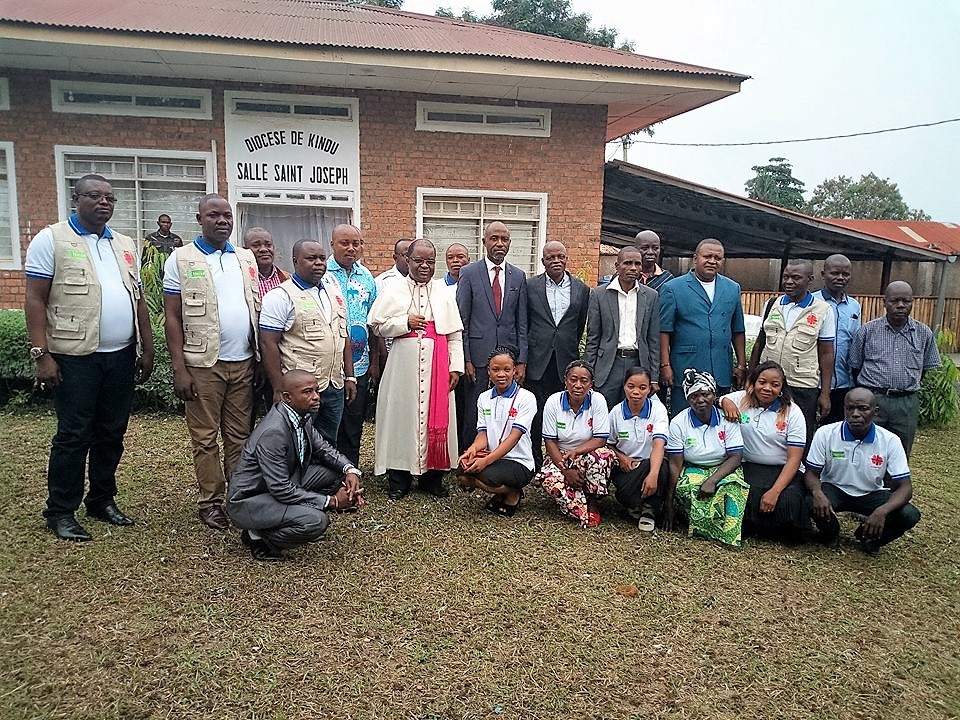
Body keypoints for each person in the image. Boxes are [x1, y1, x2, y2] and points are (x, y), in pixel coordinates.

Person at [25, 174, 155, 541]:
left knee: (111, 433)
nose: (104, 203)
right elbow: (34, 298)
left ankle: (101, 499)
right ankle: (61, 510)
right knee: (73, 434)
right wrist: (42, 355)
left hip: (120, 356)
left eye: (110, 198)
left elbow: (138, 298)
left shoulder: (124, 243)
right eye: (95, 196)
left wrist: (146, 347)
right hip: (74, 357)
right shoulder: (51, 239)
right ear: (76, 198)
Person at [163, 194, 260, 531]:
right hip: (204, 364)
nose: (222, 221)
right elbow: (172, 318)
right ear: (199, 219)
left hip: (244, 362)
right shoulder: (180, 258)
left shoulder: (245, 258)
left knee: (239, 436)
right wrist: (180, 368)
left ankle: (239, 496)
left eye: (227, 215)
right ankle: (211, 502)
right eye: (213, 215)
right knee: (205, 437)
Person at [226, 370, 364, 562]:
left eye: (316, 390)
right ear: (287, 397)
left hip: (281, 485)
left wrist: (350, 470)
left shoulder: (300, 414)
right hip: (251, 500)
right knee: (317, 521)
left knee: (336, 472)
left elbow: (322, 448)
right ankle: (259, 536)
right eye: (308, 392)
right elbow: (280, 488)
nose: (316, 397)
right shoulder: (273, 432)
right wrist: (332, 501)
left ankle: (288, 517)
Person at [369, 239, 464, 500]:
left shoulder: (444, 293)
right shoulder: (393, 289)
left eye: (430, 261)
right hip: (403, 367)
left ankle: (432, 478)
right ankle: (399, 478)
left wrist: (455, 367)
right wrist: (404, 323)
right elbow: (377, 326)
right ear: (407, 260)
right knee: (401, 418)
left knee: (439, 418)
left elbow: (455, 334)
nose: (425, 266)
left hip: (438, 367)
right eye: (419, 260)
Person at [259, 239, 355, 445]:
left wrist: (350, 377)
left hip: (334, 386)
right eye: (311, 258)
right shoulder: (280, 296)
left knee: (328, 442)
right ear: (295, 261)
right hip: (299, 390)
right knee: (297, 443)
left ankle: (324, 478)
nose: (319, 263)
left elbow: (343, 336)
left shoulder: (334, 293)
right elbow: (268, 344)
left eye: (322, 258)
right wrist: (278, 388)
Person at [805, 388, 921, 555]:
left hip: (871, 493)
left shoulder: (890, 440)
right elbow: (811, 473)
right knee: (809, 501)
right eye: (850, 408)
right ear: (844, 409)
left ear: (875, 412)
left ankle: (869, 537)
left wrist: (882, 511)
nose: (855, 414)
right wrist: (817, 492)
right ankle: (830, 532)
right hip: (834, 488)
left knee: (909, 514)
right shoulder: (826, 433)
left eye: (863, 408)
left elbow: (905, 487)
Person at [456, 221, 528, 451]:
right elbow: (462, 321)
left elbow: (522, 322)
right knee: (473, 409)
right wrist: (465, 358)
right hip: (476, 357)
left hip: (508, 359)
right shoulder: (469, 273)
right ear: (484, 241)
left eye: (504, 239)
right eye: (494, 239)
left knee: (505, 409)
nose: (499, 244)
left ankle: (498, 455)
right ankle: (468, 458)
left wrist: (521, 360)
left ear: (509, 243)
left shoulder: (518, 276)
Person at [848, 281, 940, 457]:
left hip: (906, 403)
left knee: (901, 450)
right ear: (885, 302)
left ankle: (896, 484)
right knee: (866, 448)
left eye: (906, 301)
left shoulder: (923, 333)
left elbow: (925, 369)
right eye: (895, 301)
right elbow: (855, 366)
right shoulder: (867, 331)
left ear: (912, 302)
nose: (900, 305)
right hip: (873, 399)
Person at [720, 361, 809, 540]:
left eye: (775, 385)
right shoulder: (741, 399)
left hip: (783, 470)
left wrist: (775, 491)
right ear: (753, 383)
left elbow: (794, 459)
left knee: (789, 501)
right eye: (762, 382)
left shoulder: (793, 412)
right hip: (749, 467)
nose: (767, 388)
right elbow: (717, 398)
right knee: (747, 495)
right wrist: (724, 401)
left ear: (782, 387)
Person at [750, 259, 835, 447]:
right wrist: (751, 378)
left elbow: (826, 354)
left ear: (810, 280)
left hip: (802, 385)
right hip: (769, 385)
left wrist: (825, 393)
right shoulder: (772, 304)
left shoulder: (823, 310)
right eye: (786, 277)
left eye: (796, 278)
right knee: (767, 431)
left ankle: (799, 473)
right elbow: (759, 344)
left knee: (800, 435)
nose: (789, 282)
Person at [659, 239, 747, 414]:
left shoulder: (732, 288)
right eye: (707, 256)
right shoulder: (673, 288)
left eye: (717, 258)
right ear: (695, 258)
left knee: (720, 421)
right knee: (685, 419)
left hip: (721, 369)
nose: (712, 261)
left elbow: (738, 330)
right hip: (687, 367)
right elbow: (663, 331)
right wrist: (665, 365)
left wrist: (742, 364)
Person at [664, 369, 747, 547]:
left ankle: (726, 534)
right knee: (689, 489)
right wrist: (668, 502)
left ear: (713, 394)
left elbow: (735, 457)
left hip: (723, 467)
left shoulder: (727, 419)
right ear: (687, 399)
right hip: (693, 467)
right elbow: (675, 463)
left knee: (732, 489)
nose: (700, 400)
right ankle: (702, 529)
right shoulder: (679, 422)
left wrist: (712, 480)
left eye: (705, 394)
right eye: (694, 396)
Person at [525, 240, 589, 468]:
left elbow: (579, 325)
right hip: (537, 360)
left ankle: (561, 461)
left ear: (566, 259)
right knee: (536, 412)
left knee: (562, 412)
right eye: (550, 257)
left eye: (560, 256)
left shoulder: (581, 289)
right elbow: (525, 323)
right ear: (543, 261)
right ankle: (534, 458)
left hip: (566, 360)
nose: (556, 261)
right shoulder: (530, 286)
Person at [457, 347, 537, 516]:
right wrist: (473, 449)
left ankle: (513, 492)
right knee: (463, 474)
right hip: (494, 458)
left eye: (507, 369)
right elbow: (482, 434)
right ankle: (502, 493)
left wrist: (485, 461)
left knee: (486, 476)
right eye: (496, 369)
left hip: (519, 462)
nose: (501, 374)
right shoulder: (484, 398)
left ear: (514, 370)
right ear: (488, 371)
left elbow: (513, 438)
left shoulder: (527, 398)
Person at [535, 361, 614, 528]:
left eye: (584, 381)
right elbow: (550, 442)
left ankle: (592, 501)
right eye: (573, 379)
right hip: (560, 456)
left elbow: (600, 439)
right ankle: (580, 506)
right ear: (565, 381)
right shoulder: (553, 401)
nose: (578, 385)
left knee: (603, 456)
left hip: (588, 453)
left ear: (591, 384)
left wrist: (576, 452)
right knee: (550, 481)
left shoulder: (598, 400)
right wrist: (565, 470)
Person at [324, 224, 378, 466]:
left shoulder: (367, 277)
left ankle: (351, 475)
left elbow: (374, 321)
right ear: (332, 244)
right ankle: (326, 476)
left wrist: (375, 360)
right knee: (327, 426)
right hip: (329, 366)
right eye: (344, 243)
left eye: (356, 243)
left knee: (353, 426)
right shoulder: (321, 273)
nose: (351, 248)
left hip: (360, 365)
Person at [584, 246, 660, 409]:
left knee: (635, 414)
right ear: (617, 266)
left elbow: (653, 340)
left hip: (638, 362)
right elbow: (593, 338)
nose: (633, 268)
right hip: (608, 365)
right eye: (628, 263)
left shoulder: (651, 296)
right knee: (605, 411)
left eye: (637, 264)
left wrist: (654, 377)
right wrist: (588, 373)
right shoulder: (599, 294)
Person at [607, 367, 669, 532]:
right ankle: (632, 503)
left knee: (660, 466)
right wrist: (621, 458)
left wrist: (653, 475)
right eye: (631, 386)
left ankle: (649, 510)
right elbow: (608, 444)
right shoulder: (615, 413)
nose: (636, 392)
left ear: (649, 389)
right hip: (626, 469)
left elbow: (658, 444)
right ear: (624, 386)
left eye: (642, 388)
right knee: (625, 494)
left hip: (651, 464)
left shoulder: (658, 410)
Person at [817, 254, 861, 424]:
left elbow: (855, 343)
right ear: (823, 274)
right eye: (835, 273)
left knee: (837, 431)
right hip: (815, 383)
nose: (840, 278)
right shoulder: (812, 302)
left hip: (844, 384)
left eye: (845, 274)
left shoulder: (854, 306)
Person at [245, 227, 290, 300]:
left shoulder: (287, 279)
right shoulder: (241, 279)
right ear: (245, 250)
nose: (264, 249)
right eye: (256, 246)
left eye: (268, 245)